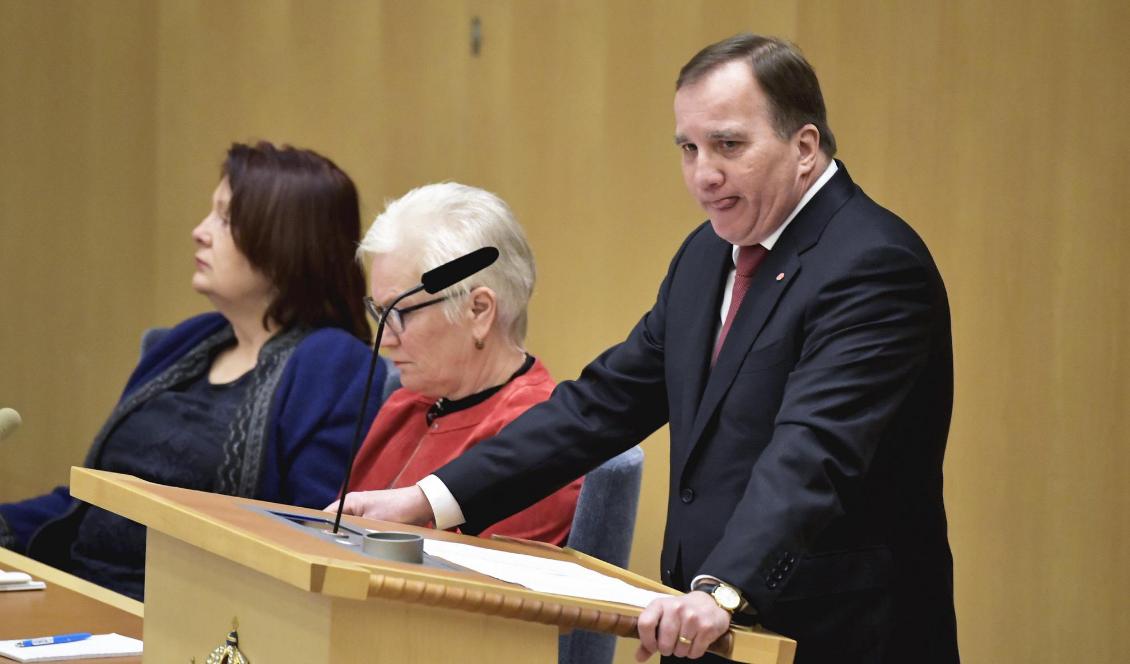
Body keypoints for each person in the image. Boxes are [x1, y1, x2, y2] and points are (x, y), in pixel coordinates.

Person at [326, 34, 959, 664]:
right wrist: (429, 500)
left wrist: (725, 589)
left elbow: (814, 451)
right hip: (705, 625)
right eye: (688, 148)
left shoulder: (873, 264)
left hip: (836, 634)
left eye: (728, 145)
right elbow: (601, 405)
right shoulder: (707, 256)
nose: (703, 174)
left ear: (804, 146)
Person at [0, 141, 397, 601]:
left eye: (225, 219)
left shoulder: (332, 365)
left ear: (285, 239)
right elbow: (89, 502)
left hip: (189, 616)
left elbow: (306, 537)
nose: (200, 232)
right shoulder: (188, 342)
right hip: (74, 588)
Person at [330, 182, 581, 546]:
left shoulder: (538, 439)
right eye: (379, 314)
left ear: (478, 310)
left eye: (398, 314)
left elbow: (474, 596)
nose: (384, 340)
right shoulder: (407, 400)